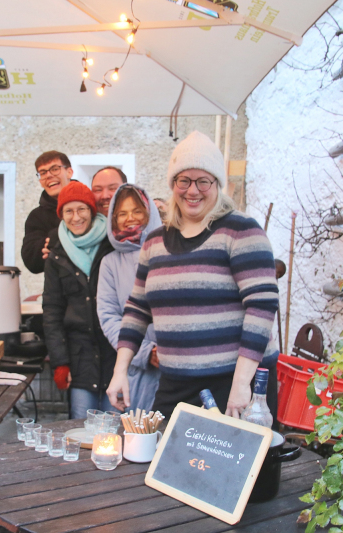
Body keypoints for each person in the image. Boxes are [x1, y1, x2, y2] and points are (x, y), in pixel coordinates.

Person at [106, 131, 279, 419]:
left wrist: (241, 384)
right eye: (184, 180)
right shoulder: (154, 242)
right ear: (173, 184)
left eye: (203, 181)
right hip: (176, 382)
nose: (193, 190)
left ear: (217, 183)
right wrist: (120, 370)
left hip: (234, 382)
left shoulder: (241, 230)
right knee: (162, 447)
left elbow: (262, 306)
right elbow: (137, 309)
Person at [43, 182, 116, 419]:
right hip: (79, 358)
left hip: (115, 355)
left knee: (115, 428)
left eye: (81, 209)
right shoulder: (56, 254)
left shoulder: (113, 244)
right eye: (69, 211)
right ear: (61, 215)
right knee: (81, 429)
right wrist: (60, 363)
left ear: (92, 211)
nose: (76, 217)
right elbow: (52, 311)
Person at [97, 184, 163, 412]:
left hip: (174, 368)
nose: (130, 218)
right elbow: (109, 317)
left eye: (136, 211)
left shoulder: (169, 251)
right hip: (136, 371)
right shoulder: (110, 263)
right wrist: (144, 352)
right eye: (122, 213)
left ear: (149, 212)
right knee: (137, 431)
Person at [21, 151, 73, 274]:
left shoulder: (91, 204)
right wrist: (57, 237)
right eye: (43, 173)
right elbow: (31, 262)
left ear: (69, 172)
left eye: (55, 169)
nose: (49, 175)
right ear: (40, 181)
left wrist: (54, 244)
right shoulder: (36, 217)